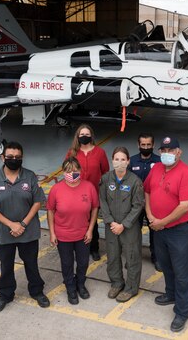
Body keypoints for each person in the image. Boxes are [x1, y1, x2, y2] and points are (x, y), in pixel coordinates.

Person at [0, 141, 50, 313]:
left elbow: (37, 201)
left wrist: (23, 224)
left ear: (22, 158)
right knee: (6, 266)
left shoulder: (30, 176)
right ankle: (5, 295)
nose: (14, 160)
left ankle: (37, 291)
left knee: (31, 264)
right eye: (10, 157)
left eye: (18, 157)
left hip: (28, 232)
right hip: (4, 233)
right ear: (2, 157)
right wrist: (11, 224)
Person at [144, 136, 188, 332]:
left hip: (179, 231)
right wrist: (150, 215)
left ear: (179, 152)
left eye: (171, 150)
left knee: (183, 272)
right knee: (166, 265)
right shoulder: (156, 168)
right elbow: (147, 191)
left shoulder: (186, 173)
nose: (167, 154)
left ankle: (182, 311)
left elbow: (185, 206)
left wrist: (162, 222)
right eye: (164, 150)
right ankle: (171, 293)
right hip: (158, 228)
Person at [47, 157, 99, 305]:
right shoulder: (56, 189)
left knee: (83, 262)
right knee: (67, 263)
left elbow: (95, 207)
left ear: (80, 171)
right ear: (63, 172)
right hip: (63, 235)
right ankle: (70, 287)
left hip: (83, 234)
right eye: (68, 171)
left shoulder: (89, 187)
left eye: (75, 170)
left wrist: (90, 230)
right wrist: (52, 233)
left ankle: (80, 284)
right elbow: (50, 210)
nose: (72, 173)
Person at [100, 147, 144, 303]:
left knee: (132, 257)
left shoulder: (135, 181)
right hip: (111, 225)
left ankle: (131, 288)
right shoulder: (106, 179)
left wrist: (123, 225)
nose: (119, 162)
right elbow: (102, 201)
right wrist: (111, 221)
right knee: (112, 255)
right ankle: (117, 283)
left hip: (129, 227)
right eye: (116, 159)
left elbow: (138, 205)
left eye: (123, 159)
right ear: (112, 160)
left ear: (128, 161)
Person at [66, 123, 109, 261]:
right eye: (82, 134)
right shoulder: (72, 152)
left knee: (92, 223)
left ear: (91, 136)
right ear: (78, 136)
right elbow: (67, 170)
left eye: (87, 134)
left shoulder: (100, 152)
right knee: (77, 221)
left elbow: (105, 172)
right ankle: (77, 247)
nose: (84, 137)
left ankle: (94, 248)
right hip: (74, 193)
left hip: (93, 194)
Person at [129, 133, 161, 271]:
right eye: (143, 145)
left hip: (154, 204)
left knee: (155, 231)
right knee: (134, 231)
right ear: (138, 145)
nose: (146, 147)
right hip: (136, 204)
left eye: (149, 145)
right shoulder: (132, 161)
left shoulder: (160, 162)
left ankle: (157, 257)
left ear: (153, 145)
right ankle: (133, 257)